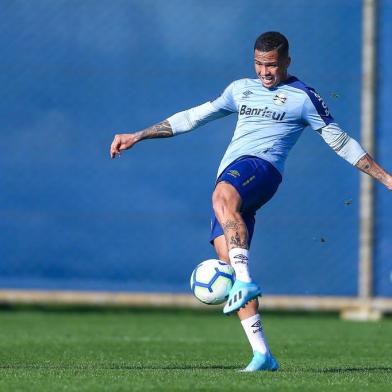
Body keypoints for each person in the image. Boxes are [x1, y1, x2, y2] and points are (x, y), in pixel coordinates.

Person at [110, 32, 392, 372]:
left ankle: (244, 280)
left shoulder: (303, 98)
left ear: (287, 62)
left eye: (271, 65)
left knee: (222, 198)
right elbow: (193, 117)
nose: (264, 71)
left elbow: (342, 142)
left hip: (262, 169)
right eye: (258, 64)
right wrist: (138, 135)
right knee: (228, 260)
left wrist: (387, 179)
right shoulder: (239, 89)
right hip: (234, 175)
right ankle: (262, 354)